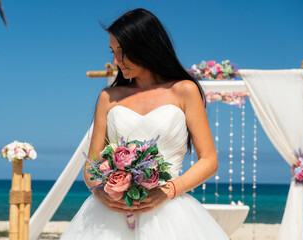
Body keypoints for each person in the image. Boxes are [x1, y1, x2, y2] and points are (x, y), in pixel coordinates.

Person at [60, 8, 229, 239]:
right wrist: (101, 192)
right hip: (108, 217)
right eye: (112, 51)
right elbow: (91, 166)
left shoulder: (185, 91)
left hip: (170, 215)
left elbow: (209, 160)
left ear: (146, 45)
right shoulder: (108, 97)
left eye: (122, 51)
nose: (116, 61)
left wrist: (167, 191)